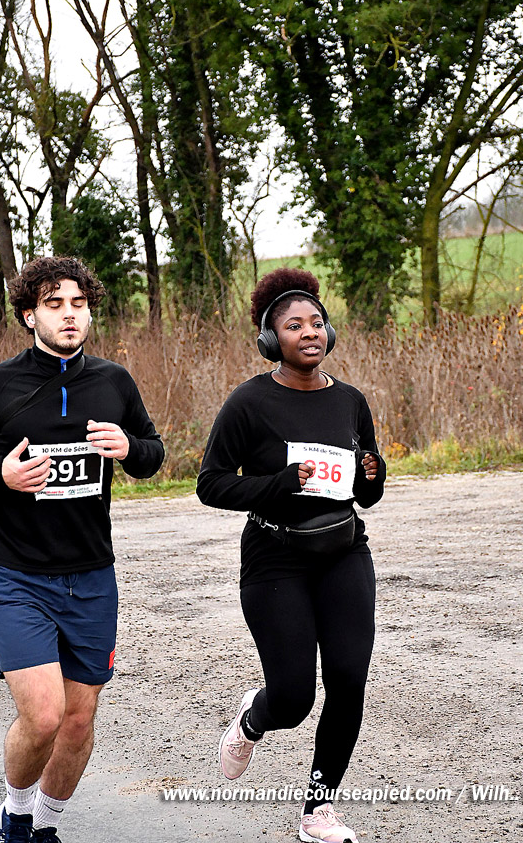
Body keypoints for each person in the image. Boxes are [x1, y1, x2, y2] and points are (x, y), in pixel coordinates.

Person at [196, 267, 386, 843]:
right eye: (294, 325)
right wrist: (277, 484)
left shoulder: (350, 401)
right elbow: (211, 484)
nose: (309, 333)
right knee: (294, 698)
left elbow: (366, 495)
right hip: (275, 559)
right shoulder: (249, 402)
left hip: (344, 552)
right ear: (269, 339)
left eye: (317, 323)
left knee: (348, 680)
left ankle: (317, 812)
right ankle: (252, 720)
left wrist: (374, 476)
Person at [0, 256, 164, 843]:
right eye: (55, 304)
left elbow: (153, 453)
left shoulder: (113, 382)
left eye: (79, 304)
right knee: (43, 716)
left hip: (90, 577)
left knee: (78, 719)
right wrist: (0, 475)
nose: (69, 315)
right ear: (28, 314)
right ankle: (15, 815)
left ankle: (45, 827)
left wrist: (129, 449)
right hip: (14, 575)